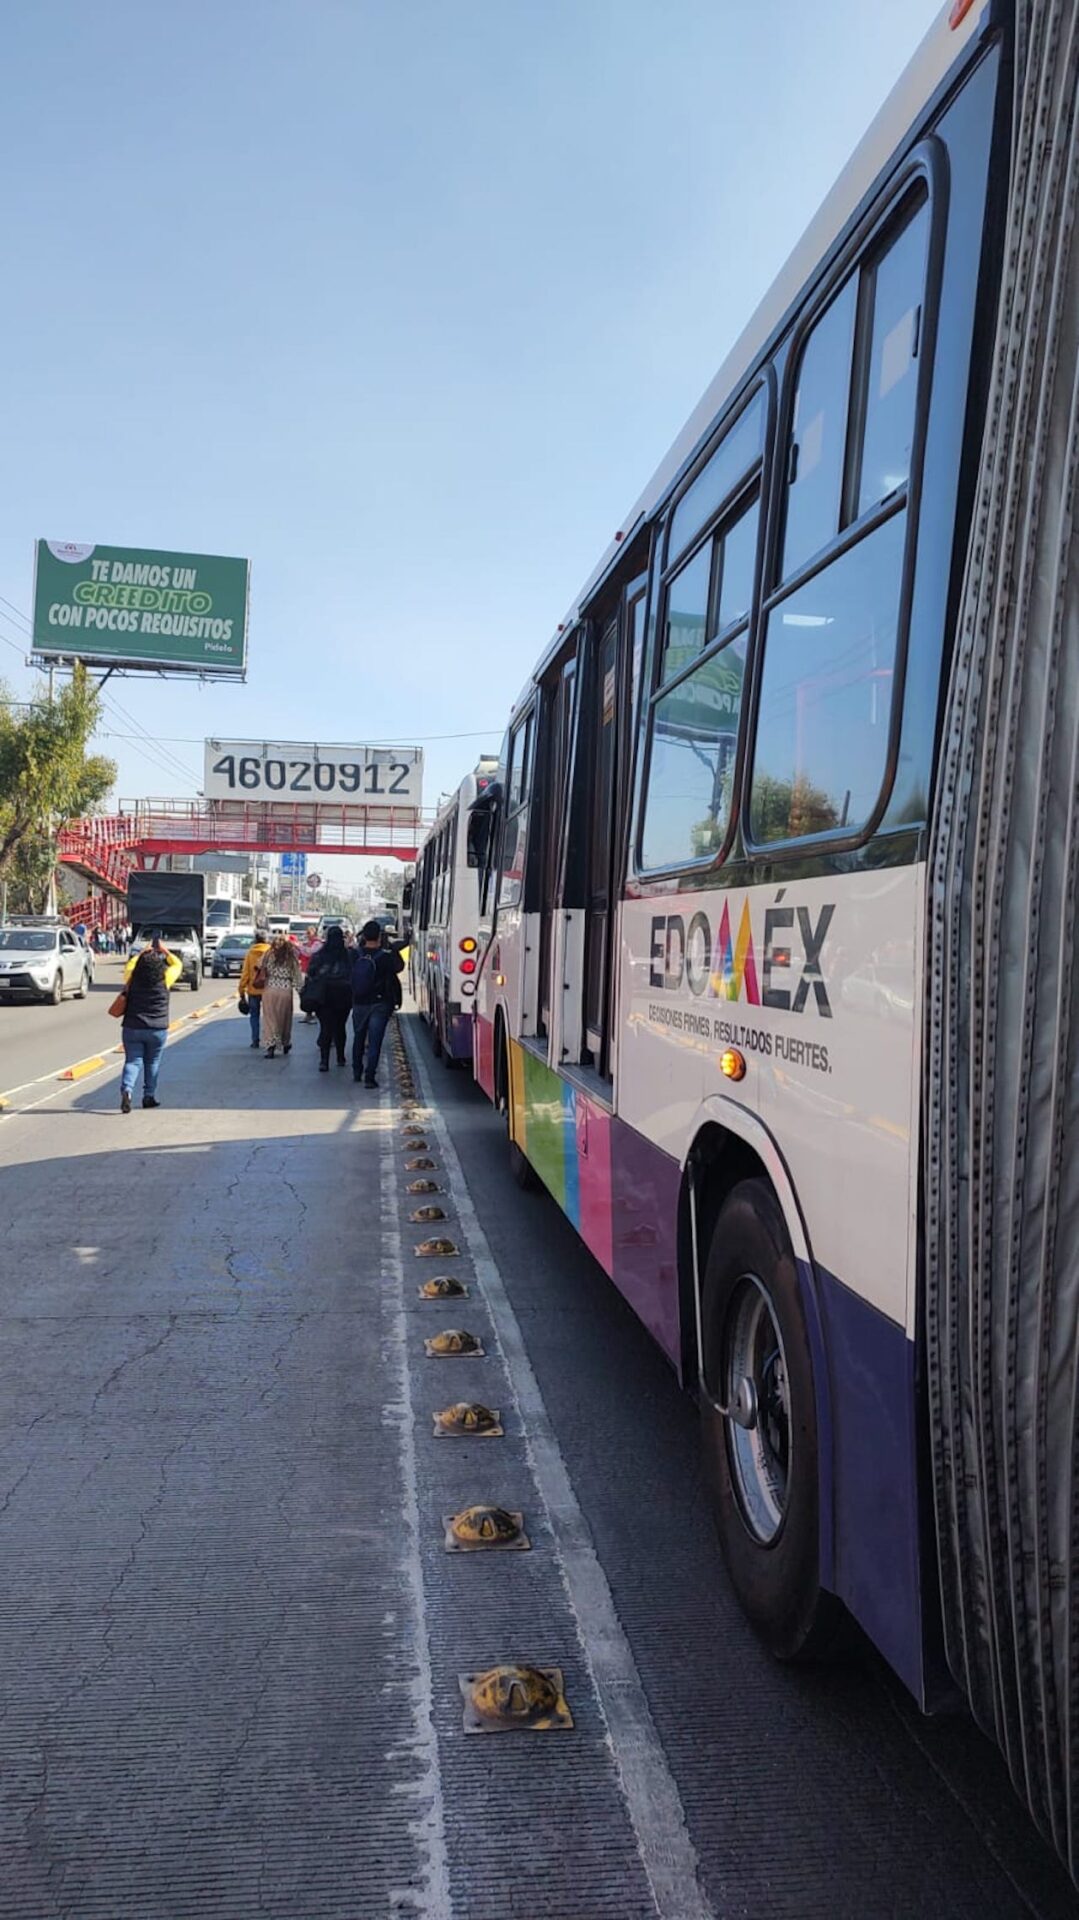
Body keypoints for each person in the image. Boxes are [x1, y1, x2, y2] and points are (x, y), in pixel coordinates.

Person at [118, 936, 182, 1113]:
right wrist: (165, 951)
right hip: (157, 1028)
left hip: (132, 1026)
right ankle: (149, 1096)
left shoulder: (131, 978)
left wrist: (141, 953)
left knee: (133, 1060)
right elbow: (177, 964)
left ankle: (127, 1090)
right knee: (152, 1062)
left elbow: (130, 965)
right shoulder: (166, 979)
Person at [351, 919, 404, 1087]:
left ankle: (356, 1071)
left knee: (358, 1038)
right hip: (380, 1003)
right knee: (375, 1041)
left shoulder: (354, 954)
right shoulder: (386, 957)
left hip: (359, 1002)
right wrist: (392, 948)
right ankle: (370, 1077)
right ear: (379, 937)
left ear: (364, 936)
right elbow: (399, 967)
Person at [305, 924, 353, 1070]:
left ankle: (324, 1060)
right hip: (343, 997)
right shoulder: (349, 955)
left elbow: (311, 974)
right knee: (340, 1027)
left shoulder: (319, 956)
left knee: (325, 1028)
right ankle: (340, 1057)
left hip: (324, 997)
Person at [259, 933, 302, 1058]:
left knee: (270, 1019)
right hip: (285, 991)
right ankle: (285, 1042)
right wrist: (301, 993)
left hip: (270, 990)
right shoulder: (291, 958)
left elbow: (259, 965)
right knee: (285, 1020)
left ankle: (271, 1045)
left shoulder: (269, 954)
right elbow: (297, 978)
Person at [237, 929, 270, 1048]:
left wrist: (241, 991)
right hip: (268, 990)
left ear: (255, 940)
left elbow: (245, 974)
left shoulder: (250, 953)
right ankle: (269, 1040)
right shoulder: (271, 952)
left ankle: (255, 1040)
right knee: (269, 1017)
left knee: (254, 1016)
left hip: (253, 989)